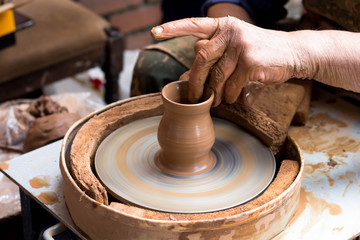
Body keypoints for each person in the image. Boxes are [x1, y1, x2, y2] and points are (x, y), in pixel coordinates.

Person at [131, 1, 360, 106]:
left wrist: (298, 52)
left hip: (332, 56)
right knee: (157, 68)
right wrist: (233, 29)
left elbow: (302, 51)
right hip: (318, 33)